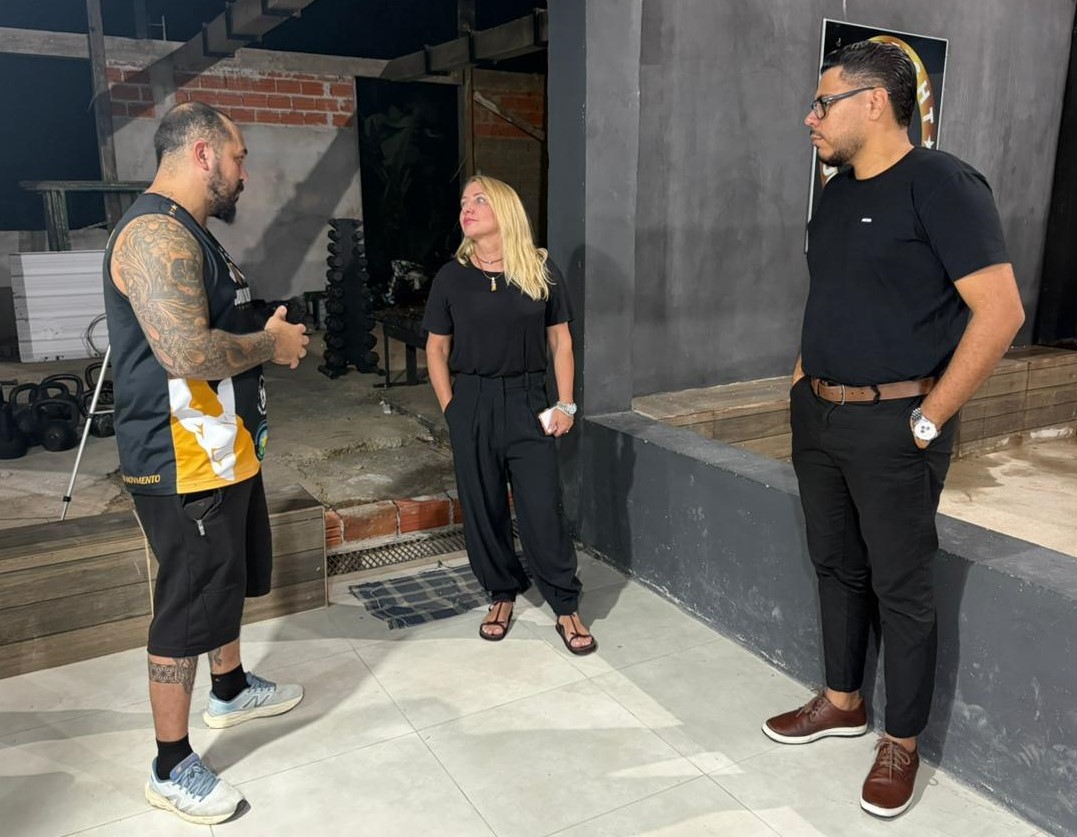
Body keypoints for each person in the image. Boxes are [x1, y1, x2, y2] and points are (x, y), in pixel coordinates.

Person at [762, 41, 1025, 818]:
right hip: (819, 412)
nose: (809, 117)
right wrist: (800, 381)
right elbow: (832, 296)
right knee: (834, 564)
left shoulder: (942, 185)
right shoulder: (835, 194)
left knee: (901, 588)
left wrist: (928, 417)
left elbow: (1000, 312)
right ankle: (842, 700)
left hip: (895, 422)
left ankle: (901, 741)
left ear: (873, 102)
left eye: (822, 102)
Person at [103, 101, 310, 825]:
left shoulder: (191, 231)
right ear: (202, 153)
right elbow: (186, 351)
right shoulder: (154, 233)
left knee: (223, 582)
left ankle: (229, 687)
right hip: (182, 459)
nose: (244, 172)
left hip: (224, 450)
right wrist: (272, 345)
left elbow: (214, 324)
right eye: (239, 156)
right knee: (187, 604)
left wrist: (262, 325)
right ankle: (170, 765)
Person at [423, 175, 596, 655]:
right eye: (464, 201)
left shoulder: (539, 270)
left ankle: (565, 604)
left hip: (527, 401)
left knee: (542, 508)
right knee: (483, 507)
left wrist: (566, 403)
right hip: (472, 401)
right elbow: (436, 349)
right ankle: (501, 594)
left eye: (479, 200)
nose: (468, 207)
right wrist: (452, 409)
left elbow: (561, 341)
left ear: (505, 209)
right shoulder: (451, 277)